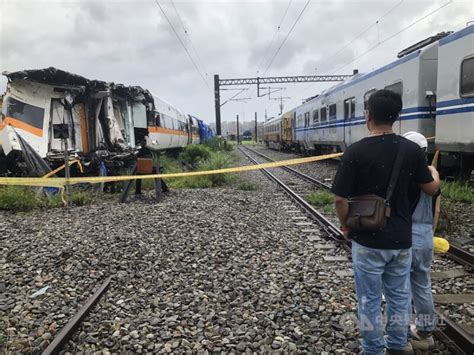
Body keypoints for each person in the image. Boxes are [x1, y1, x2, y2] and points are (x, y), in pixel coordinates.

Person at [331, 89, 440, 355]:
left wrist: (346, 226)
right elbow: (429, 189)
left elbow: (339, 199)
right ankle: (397, 345)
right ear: (397, 116)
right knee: (399, 297)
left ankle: (372, 349)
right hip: (402, 241)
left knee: (369, 299)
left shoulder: (355, 151)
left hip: (367, 240)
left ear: (368, 115)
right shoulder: (411, 150)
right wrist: (435, 174)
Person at [402, 131, 440, 350]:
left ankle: (404, 335)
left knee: (401, 287)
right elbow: (436, 211)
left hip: (406, 233)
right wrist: (430, 235)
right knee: (423, 284)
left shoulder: (404, 174)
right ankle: (426, 333)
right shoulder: (433, 174)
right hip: (426, 234)